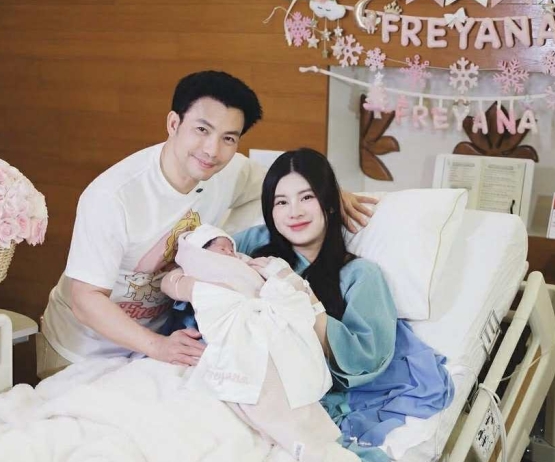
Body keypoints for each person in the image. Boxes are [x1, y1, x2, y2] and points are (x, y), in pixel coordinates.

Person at [37, 70, 376, 379]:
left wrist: (332, 193)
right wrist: (157, 346)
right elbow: (85, 299)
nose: (212, 150)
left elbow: (285, 183)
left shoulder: (230, 171)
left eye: (229, 138)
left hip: (159, 349)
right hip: (82, 349)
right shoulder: (113, 196)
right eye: (202, 130)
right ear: (173, 123)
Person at [235, 148, 454, 462]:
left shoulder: (360, 276)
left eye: (307, 197)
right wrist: (178, 283)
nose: (294, 212)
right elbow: (200, 257)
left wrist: (302, 299)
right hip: (233, 375)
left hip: (289, 392)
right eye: (281, 202)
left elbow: (364, 357)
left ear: (329, 202)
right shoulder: (253, 245)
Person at [160, 224, 361, 462]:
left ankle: (320, 441)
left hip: (266, 326)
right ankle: (314, 452)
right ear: (200, 252)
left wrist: (275, 275)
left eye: (230, 248)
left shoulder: (256, 265)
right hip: (235, 333)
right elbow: (171, 284)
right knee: (262, 392)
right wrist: (196, 285)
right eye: (220, 248)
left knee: (290, 384)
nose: (229, 253)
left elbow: (289, 290)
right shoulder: (196, 272)